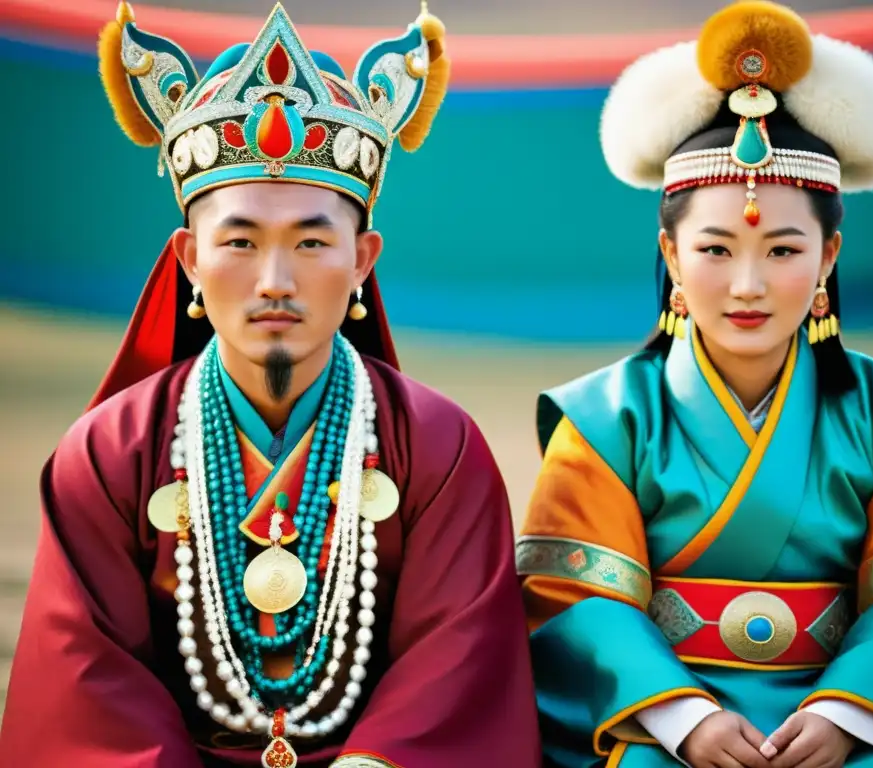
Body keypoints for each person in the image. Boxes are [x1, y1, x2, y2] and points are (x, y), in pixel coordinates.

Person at [0, 3, 541, 766]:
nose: (275, 280)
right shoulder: (108, 453)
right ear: (189, 259)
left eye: (313, 241)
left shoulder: (441, 449)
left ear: (362, 260)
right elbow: (85, 687)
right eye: (241, 242)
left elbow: (455, 674)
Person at [515, 3, 873, 768]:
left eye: (783, 249)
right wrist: (687, 719)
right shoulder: (604, 419)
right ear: (672, 254)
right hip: (659, 721)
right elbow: (578, 607)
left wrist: (851, 714)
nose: (747, 285)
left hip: (846, 720)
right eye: (715, 248)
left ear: (828, 256)